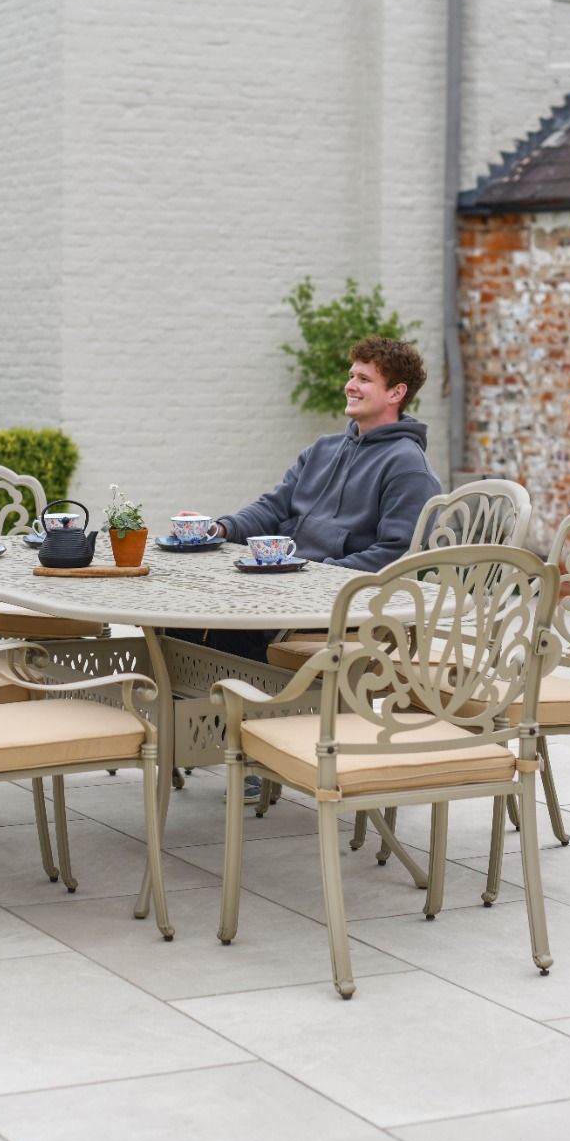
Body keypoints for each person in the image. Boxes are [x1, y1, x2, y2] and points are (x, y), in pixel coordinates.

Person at [171, 334, 442, 804]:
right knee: (185, 616)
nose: (350, 385)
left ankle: (258, 752)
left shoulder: (407, 465)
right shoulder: (322, 449)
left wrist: (314, 577)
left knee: (236, 626)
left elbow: (398, 555)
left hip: (345, 609)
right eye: (351, 375)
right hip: (289, 586)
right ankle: (198, 732)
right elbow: (274, 508)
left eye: (363, 378)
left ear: (396, 393)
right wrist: (221, 529)